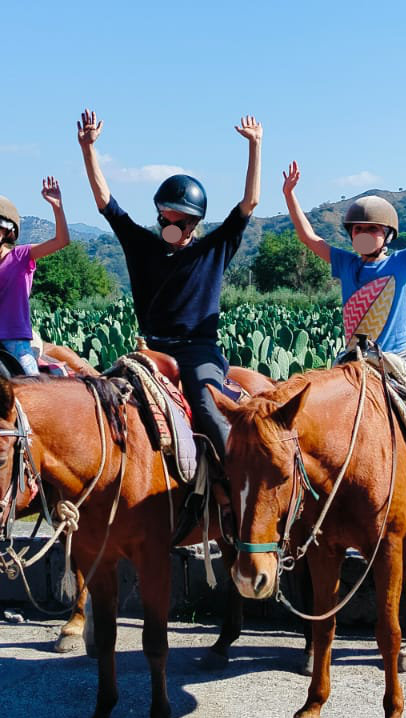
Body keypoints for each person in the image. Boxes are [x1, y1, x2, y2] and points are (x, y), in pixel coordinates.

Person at [281, 155, 406, 526]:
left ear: (386, 234)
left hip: (398, 358)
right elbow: (308, 238)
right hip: (353, 359)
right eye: (357, 228)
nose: (362, 233)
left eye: (371, 228)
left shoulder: (402, 263)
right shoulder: (346, 264)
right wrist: (289, 195)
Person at [75, 108, 261, 465]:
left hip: (196, 351)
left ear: (194, 223)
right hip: (150, 349)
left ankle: (233, 484)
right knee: (100, 401)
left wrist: (255, 145)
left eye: (180, 221)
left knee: (207, 407)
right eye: (166, 218)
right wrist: (88, 149)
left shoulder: (213, 249)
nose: (171, 226)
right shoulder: (142, 245)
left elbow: (249, 203)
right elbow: (106, 204)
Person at [0, 177, 70, 376]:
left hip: (15, 339)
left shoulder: (22, 256)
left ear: (7, 231)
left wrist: (57, 208)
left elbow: (61, 241)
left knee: (31, 382)